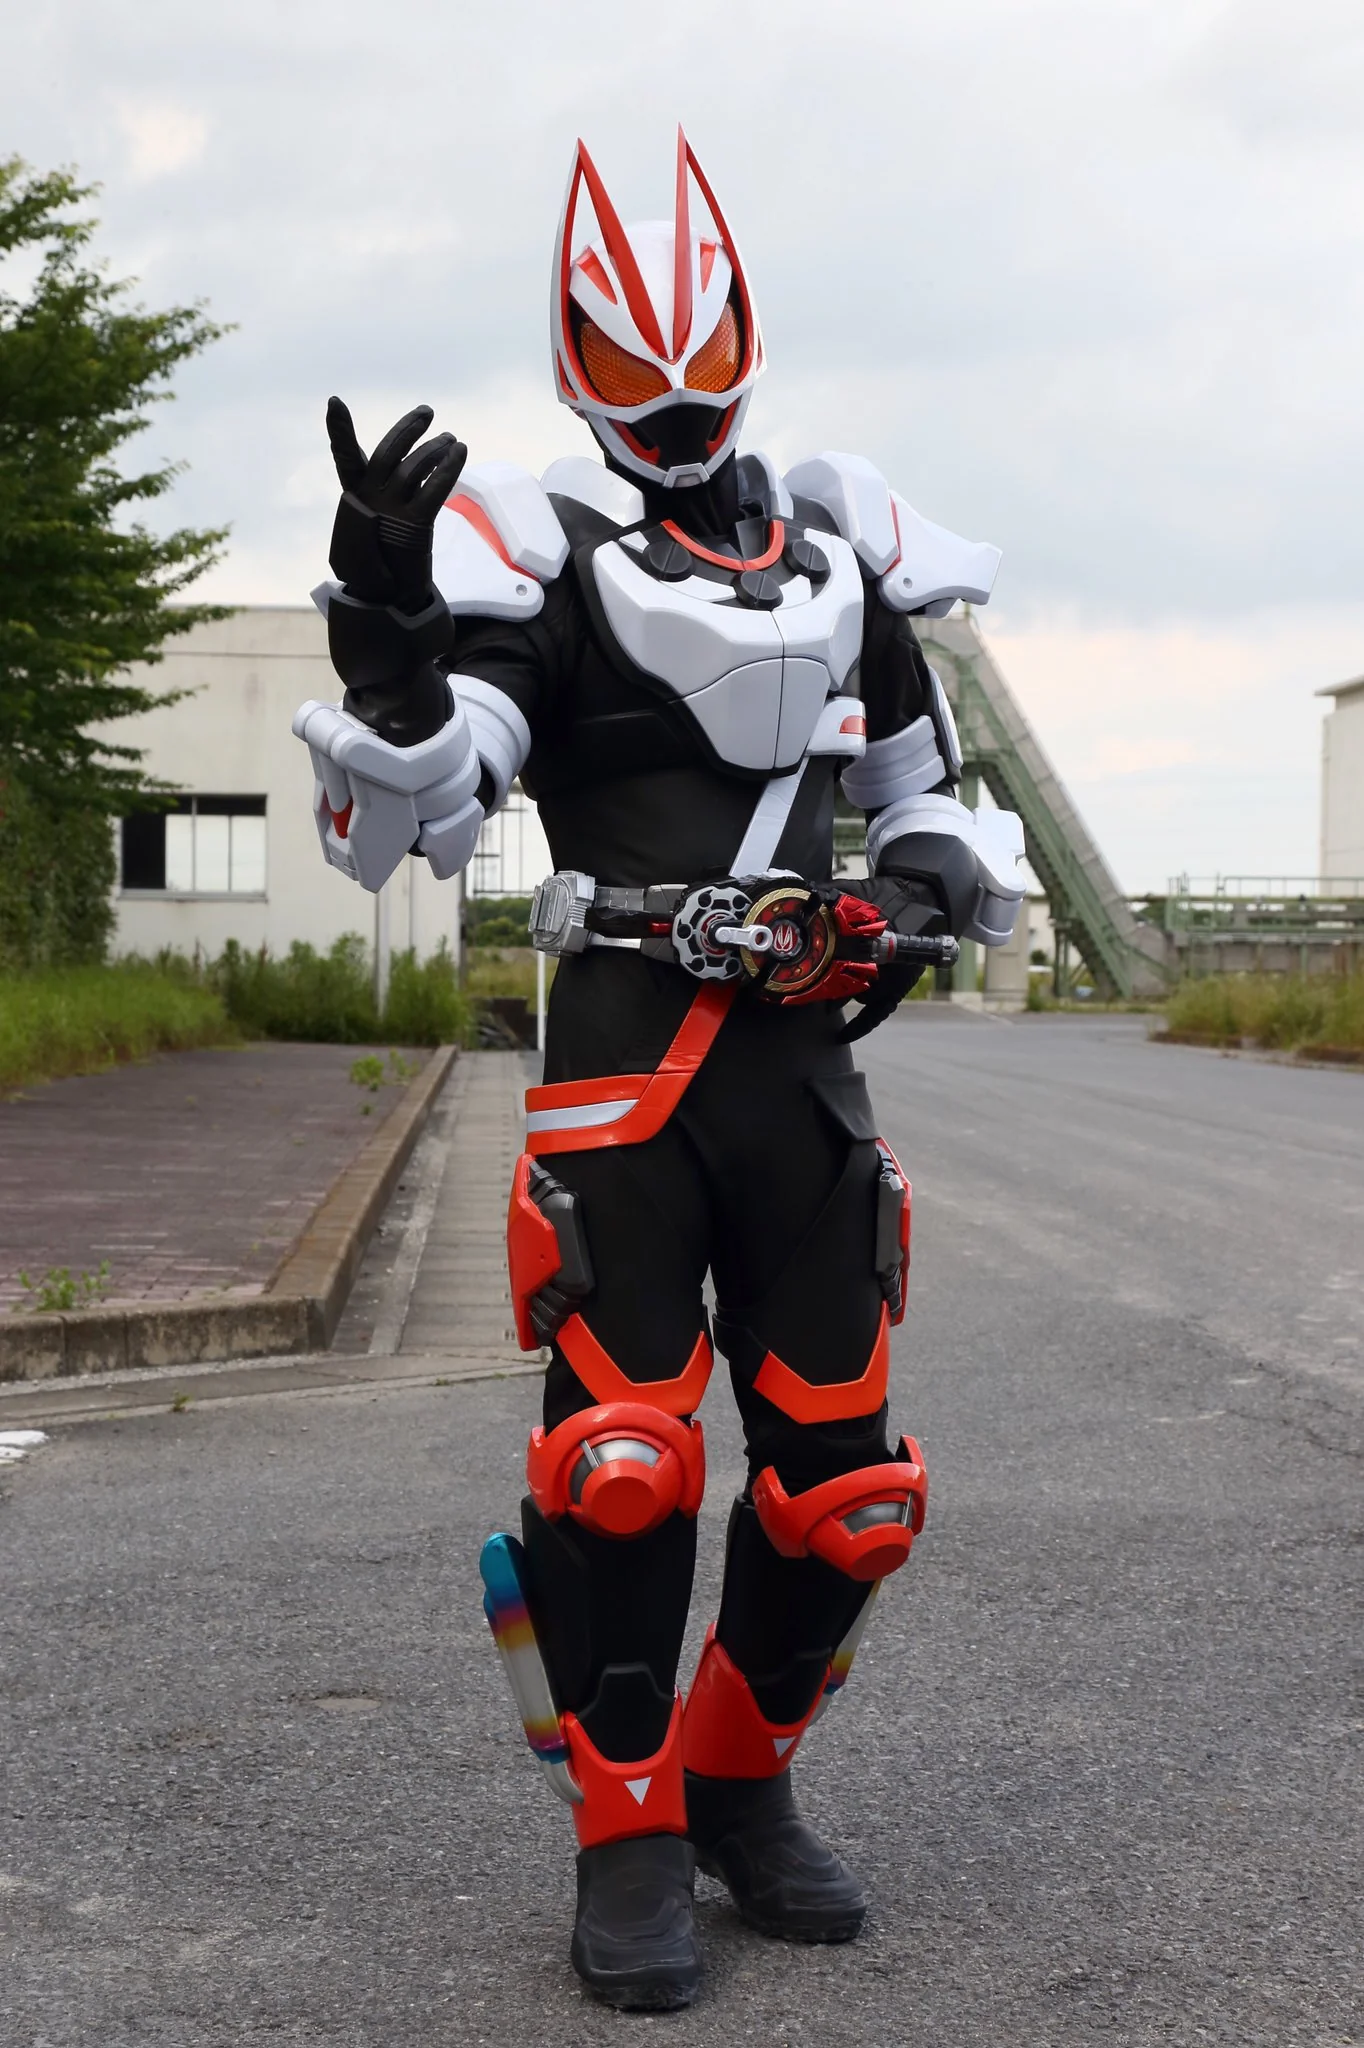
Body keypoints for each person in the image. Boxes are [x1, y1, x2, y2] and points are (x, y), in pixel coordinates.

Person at [294, 130, 1024, 2011]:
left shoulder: (842, 554)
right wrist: (387, 633)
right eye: (634, 356)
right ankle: (623, 1831)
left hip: (804, 1082)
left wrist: (917, 888)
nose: (677, 391)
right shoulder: (548, 563)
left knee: (849, 1485)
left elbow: (922, 793)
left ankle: (736, 1783)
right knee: (617, 1467)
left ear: (750, 339)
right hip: (625, 1082)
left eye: (698, 351)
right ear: (578, 358)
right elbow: (437, 786)